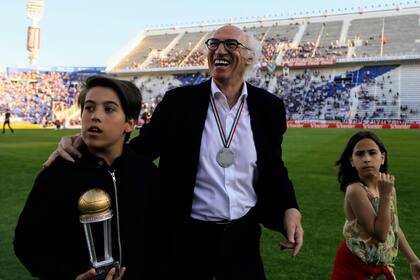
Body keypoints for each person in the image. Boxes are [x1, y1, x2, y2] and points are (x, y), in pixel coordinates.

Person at [43, 25, 303, 280]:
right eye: (213, 44)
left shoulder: (269, 108)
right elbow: (138, 152)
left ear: (249, 57)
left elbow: (273, 167)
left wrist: (290, 207)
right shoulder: (179, 102)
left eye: (230, 44)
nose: (219, 49)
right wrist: (88, 145)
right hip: (186, 237)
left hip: (242, 236)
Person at [14, 76, 160, 280]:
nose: (95, 116)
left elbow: (162, 241)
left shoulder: (147, 174)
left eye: (109, 109)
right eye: (89, 108)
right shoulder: (58, 173)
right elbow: (27, 242)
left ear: (129, 124)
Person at [330, 131, 420, 279]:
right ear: (352, 161)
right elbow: (381, 234)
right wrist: (385, 195)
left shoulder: (389, 189)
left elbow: (393, 227)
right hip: (354, 267)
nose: (367, 159)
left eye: (372, 153)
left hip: (379, 267)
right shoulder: (355, 190)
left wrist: (413, 260)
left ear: (382, 157)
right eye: (359, 154)